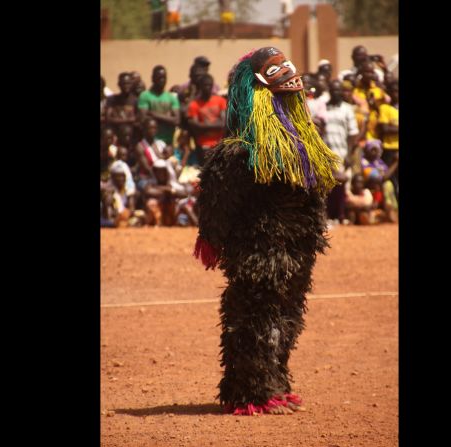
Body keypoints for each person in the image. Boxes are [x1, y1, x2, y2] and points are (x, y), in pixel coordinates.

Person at [195, 47, 341, 416]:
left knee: (288, 315)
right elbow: (216, 203)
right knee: (256, 317)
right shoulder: (238, 153)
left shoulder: (305, 144)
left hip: (296, 248)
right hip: (258, 249)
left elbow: (316, 194)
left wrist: (311, 234)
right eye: (276, 69)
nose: (289, 73)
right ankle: (248, 392)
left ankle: (274, 383)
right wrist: (211, 238)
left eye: (288, 65)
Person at [322, 80, 360, 224]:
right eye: (333, 90)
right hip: (325, 154)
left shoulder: (347, 109)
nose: (336, 93)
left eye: (338, 90)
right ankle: (328, 216)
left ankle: (340, 216)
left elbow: (353, 134)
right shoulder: (324, 108)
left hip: (341, 153)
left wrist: (350, 154)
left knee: (341, 186)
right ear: (329, 91)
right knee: (326, 186)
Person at [187, 74, 227, 163]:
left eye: (210, 85)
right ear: (200, 86)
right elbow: (196, 129)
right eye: (205, 85)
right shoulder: (194, 105)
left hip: (220, 143)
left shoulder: (220, 101)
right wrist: (216, 124)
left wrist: (204, 125)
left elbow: (224, 124)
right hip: (204, 145)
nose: (208, 87)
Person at [138, 65, 180, 147]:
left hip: (168, 142)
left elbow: (176, 120)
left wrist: (153, 114)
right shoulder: (145, 96)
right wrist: (167, 117)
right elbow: (143, 119)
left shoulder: (171, 98)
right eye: (159, 77)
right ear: (153, 78)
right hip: (150, 143)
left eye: (164, 77)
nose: (162, 80)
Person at [144, 159, 186, 226]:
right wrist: (166, 190)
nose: (160, 174)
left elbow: (184, 194)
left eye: (162, 171)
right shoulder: (151, 182)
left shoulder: (171, 182)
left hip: (170, 215)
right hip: (158, 215)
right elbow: (148, 191)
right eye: (158, 171)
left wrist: (172, 192)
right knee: (151, 202)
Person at [376, 81, 399, 199]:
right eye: (394, 91)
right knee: (389, 179)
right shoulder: (385, 108)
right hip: (390, 149)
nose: (397, 94)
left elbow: (391, 128)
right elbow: (385, 128)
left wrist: (394, 127)